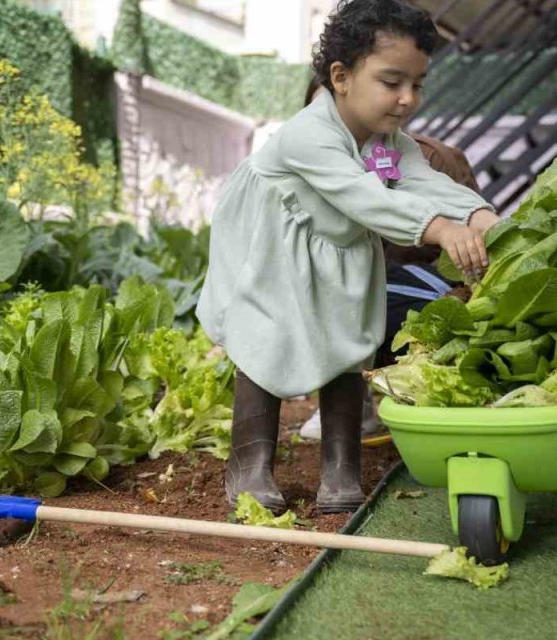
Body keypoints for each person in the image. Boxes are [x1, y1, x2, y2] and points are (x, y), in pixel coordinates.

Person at [196, 0, 501, 514]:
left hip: (336, 249)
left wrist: (481, 217)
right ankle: (249, 468)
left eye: (417, 84)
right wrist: (440, 229)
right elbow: (366, 197)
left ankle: (341, 468)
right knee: (264, 336)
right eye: (391, 81)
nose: (407, 98)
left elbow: (424, 180)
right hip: (271, 246)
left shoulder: (387, 142)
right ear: (341, 77)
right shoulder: (308, 134)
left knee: (348, 337)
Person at [296, 77, 484, 443]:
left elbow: (465, 239)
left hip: (428, 287)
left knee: (374, 292)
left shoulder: (429, 157)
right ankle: (350, 399)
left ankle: (429, 393)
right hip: (364, 287)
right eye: (321, 113)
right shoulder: (310, 164)